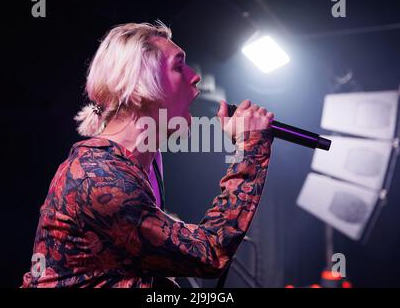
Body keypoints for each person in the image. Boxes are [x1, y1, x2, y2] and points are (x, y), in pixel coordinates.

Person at [21, 22, 274, 288]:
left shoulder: (140, 168)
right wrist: (250, 147)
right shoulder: (97, 176)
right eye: (178, 66)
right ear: (140, 81)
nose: (195, 76)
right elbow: (208, 253)